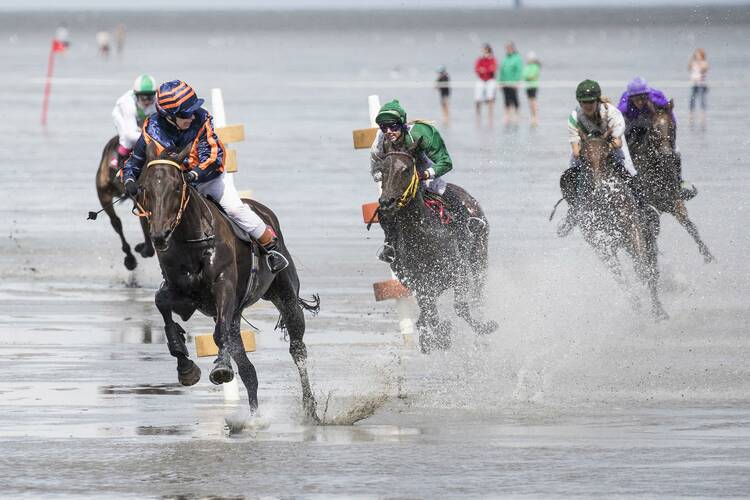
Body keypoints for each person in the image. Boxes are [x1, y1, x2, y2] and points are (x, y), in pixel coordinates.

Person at [122, 80, 288, 273]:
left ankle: (272, 249)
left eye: (193, 111)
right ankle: (170, 277)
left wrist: (195, 174)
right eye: (186, 114)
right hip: (177, 187)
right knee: (162, 220)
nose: (192, 116)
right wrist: (129, 180)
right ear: (169, 117)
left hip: (209, 180)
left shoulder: (202, 120)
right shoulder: (151, 129)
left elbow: (212, 155)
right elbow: (135, 161)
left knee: (234, 209)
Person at [370, 99, 462, 262]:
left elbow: (446, 162)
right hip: (400, 182)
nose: (389, 131)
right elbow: (375, 167)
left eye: (393, 126)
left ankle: (468, 226)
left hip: (425, 173)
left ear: (402, 124)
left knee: (444, 193)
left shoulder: (421, 133)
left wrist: (425, 175)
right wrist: (385, 177)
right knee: (385, 208)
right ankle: (390, 245)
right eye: (384, 127)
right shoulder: (380, 138)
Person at [557, 79, 637, 237]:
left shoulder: (610, 112)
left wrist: (603, 149)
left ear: (597, 100)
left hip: (612, 148)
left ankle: (643, 205)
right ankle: (574, 211)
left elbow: (618, 142)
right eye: (584, 102)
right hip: (586, 150)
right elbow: (575, 150)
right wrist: (589, 152)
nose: (587, 105)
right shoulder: (574, 117)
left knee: (630, 172)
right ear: (579, 102)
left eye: (591, 101)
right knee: (572, 174)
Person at [617, 76, 694, 199]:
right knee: (625, 150)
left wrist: (671, 139)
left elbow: (670, 118)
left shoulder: (658, 98)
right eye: (637, 99)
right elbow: (618, 123)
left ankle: (679, 182)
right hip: (632, 125)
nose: (640, 102)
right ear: (631, 97)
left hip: (654, 124)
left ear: (647, 95)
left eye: (643, 98)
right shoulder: (624, 105)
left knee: (675, 150)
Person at [112, 74, 157, 171]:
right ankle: (118, 162)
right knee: (126, 139)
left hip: (142, 115)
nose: (147, 101)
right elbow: (131, 135)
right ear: (136, 95)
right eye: (143, 97)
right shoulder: (127, 104)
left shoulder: (157, 100)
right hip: (121, 114)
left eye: (150, 97)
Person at [498, 41, 523, 126]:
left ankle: (517, 115)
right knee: (506, 99)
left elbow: (519, 71)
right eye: (506, 48)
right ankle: (507, 116)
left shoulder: (517, 58)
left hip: (513, 83)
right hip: (505, 82)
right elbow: (501, 70)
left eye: (508, 48)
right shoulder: (505, 58)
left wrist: (517, 81)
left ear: (512, 48)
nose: (507, 49)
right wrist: (500, 82)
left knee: (514, 98)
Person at [474, 43, 497, 126]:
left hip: (490, 80)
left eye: (485, 50)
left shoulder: (492, 59)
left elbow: (493, 69)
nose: (484, 52)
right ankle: (478, 116)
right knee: (478, 98)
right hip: (481, 79)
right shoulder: (480, 59)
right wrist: (482, 70)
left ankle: (490, 116)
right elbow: (477, 69)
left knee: (490, 98)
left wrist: (484, 70)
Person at [688, 48, 709, 123]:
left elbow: (704, 69)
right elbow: (689, 68)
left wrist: (699, 62)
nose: (697, 56)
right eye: (696, 54)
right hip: (694, 83)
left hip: (702, 84)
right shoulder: (693, 62)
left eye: (699, 54)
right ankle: (691, 113)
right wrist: (692, 59)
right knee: (692, 99)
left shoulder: (704, 62)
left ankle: (702, 114)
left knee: (702, 99)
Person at [522, 51, 541, 127]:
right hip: (528, 86)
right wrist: (527, 76)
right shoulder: (527, 66)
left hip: (533, 86)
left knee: (533, 102)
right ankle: (532, 116)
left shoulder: (535, 66)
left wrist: (528, 76)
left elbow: (532, 75)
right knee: (530, 103)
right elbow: (524, 75)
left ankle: (536, 117)